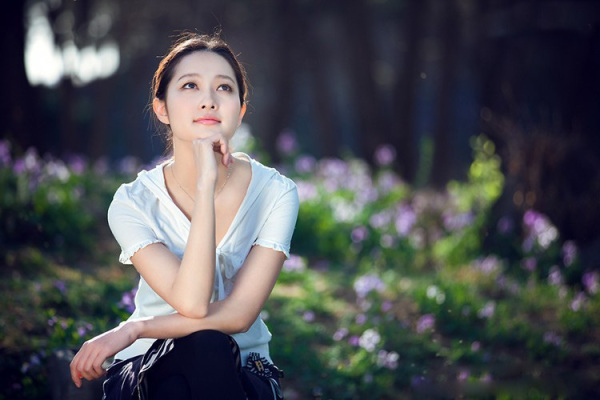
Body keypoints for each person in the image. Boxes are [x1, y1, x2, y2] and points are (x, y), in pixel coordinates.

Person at [69, 32, 299, 400]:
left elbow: (239, 316)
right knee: (191, 362)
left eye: (223, 88)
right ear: (161, 108)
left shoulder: (276, 192)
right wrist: (206, 186)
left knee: (208, 348)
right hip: (148, 368)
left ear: (240, 110)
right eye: (190, 85)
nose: (208, 101)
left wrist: (136, 327)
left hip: (241, 371)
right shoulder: (132, 202)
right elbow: (191, 302)